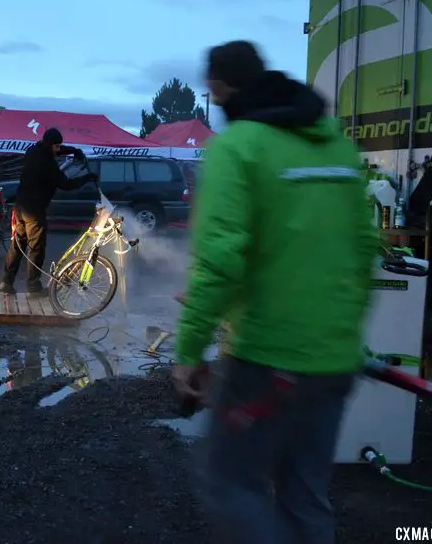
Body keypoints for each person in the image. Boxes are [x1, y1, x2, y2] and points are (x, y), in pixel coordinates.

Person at [172, 41, 377, 544]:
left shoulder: (239, 146)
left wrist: (189, 350)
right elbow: (366, 245)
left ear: (221, 85)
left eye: (211, 83)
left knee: (230, 483)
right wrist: (342, 333)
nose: (209, 93)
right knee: (305, 494)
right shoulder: (336, 146)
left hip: (269, 361)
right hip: (334, 361)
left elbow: (220, 261)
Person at [0, 127, 99, 296]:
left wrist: (74, 150)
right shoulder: (47, 163)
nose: (59, 150)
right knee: (36, 247)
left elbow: (55, 149)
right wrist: (86, 178)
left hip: (21, 206)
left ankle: (6, 282)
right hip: (34, 210)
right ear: (49, 145)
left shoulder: (34, 150)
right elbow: (66, 184)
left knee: (18, 245)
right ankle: (33, 287)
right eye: (56, 147)